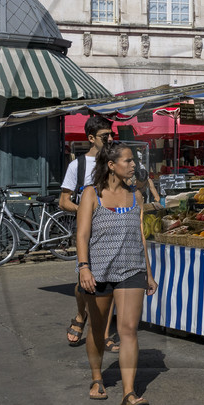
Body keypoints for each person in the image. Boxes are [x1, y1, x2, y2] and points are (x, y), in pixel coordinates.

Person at [74, 142, 157, 405]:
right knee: (98, 329)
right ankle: (97, 378)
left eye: (133, 161)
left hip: (131, 269)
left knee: (129, 330)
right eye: (128, 161)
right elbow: (82, 234)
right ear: (111, 165)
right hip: (98, 270)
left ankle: (129, 393)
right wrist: (83, 266)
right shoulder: (91, 194)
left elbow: (141, 236)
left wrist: (149, 272)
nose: (133, 165)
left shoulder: (136, 195)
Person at [60, 113, 115, 348]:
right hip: (88, 231)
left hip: (112, 229)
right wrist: (85, 211)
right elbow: (64, 201)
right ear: (91, 138)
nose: (110, 139)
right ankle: (81, 315)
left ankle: (102, 333)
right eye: (105, 136)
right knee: (85, 280)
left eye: (112, 134)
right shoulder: (78, 165)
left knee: (111, 279)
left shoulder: (115, 160)